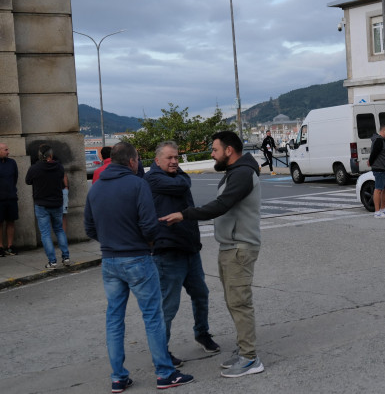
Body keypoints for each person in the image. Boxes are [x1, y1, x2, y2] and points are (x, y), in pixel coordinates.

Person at [84, 142, 194, 391]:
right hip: (137, 257)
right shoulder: (137, 184)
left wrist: (111, 243)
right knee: (152, 316)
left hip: (109, 260)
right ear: (132, 161)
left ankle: (118, 377)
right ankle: (164, 373)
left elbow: (89, 227)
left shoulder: (96, 188)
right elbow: (149, 224)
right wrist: (146, 242)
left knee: (114, 319)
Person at [160, 131, 265, 379]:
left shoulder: (241, 173)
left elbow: (221, 205)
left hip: (240, 247)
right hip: (230, 246)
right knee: (233, 301)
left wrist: (184, 214)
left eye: (215, 149)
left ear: (229, 150)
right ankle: (244, 352)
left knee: (240, 302)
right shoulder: (235, 172)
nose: (212, 154)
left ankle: (250, 358)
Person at [144, 141, 220, 369]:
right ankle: (161, 351)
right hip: (168, 251)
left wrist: (182, 177)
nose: (175, 161)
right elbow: (182, 185)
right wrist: (183, 179)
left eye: (176, 157)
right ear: (157, 161)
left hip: (189, 247)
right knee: (169, 305)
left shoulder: (177, 176)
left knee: (201, 294)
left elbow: (184, 182)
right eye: (169, 158)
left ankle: (202, 333)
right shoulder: (152, 179)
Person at [25, 144, 70, 268]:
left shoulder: (34, 168)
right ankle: (66, 257)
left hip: (41, 204)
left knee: (45, 233)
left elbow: (28, 181)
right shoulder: (59, 167)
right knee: (59, 230)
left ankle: (52, 261)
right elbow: (62, 178)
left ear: (40, 156)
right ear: (50, 155)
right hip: (57, 202)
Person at [368, 124, 385, 219]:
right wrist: (370, 161)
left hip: (384, 169)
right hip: (379, 169)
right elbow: (374, 153)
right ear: (383, 130)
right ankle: (377, 212)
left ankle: (382, 208)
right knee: (378, 189)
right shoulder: (378, 140)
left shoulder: (382, 140)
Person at [0, 143, 18, 257]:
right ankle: (0, 246)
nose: (8, 152)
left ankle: (10, 246)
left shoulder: (12, 163)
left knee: (11, 221)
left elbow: (15, 177)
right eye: (6, 150)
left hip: (11, 196)